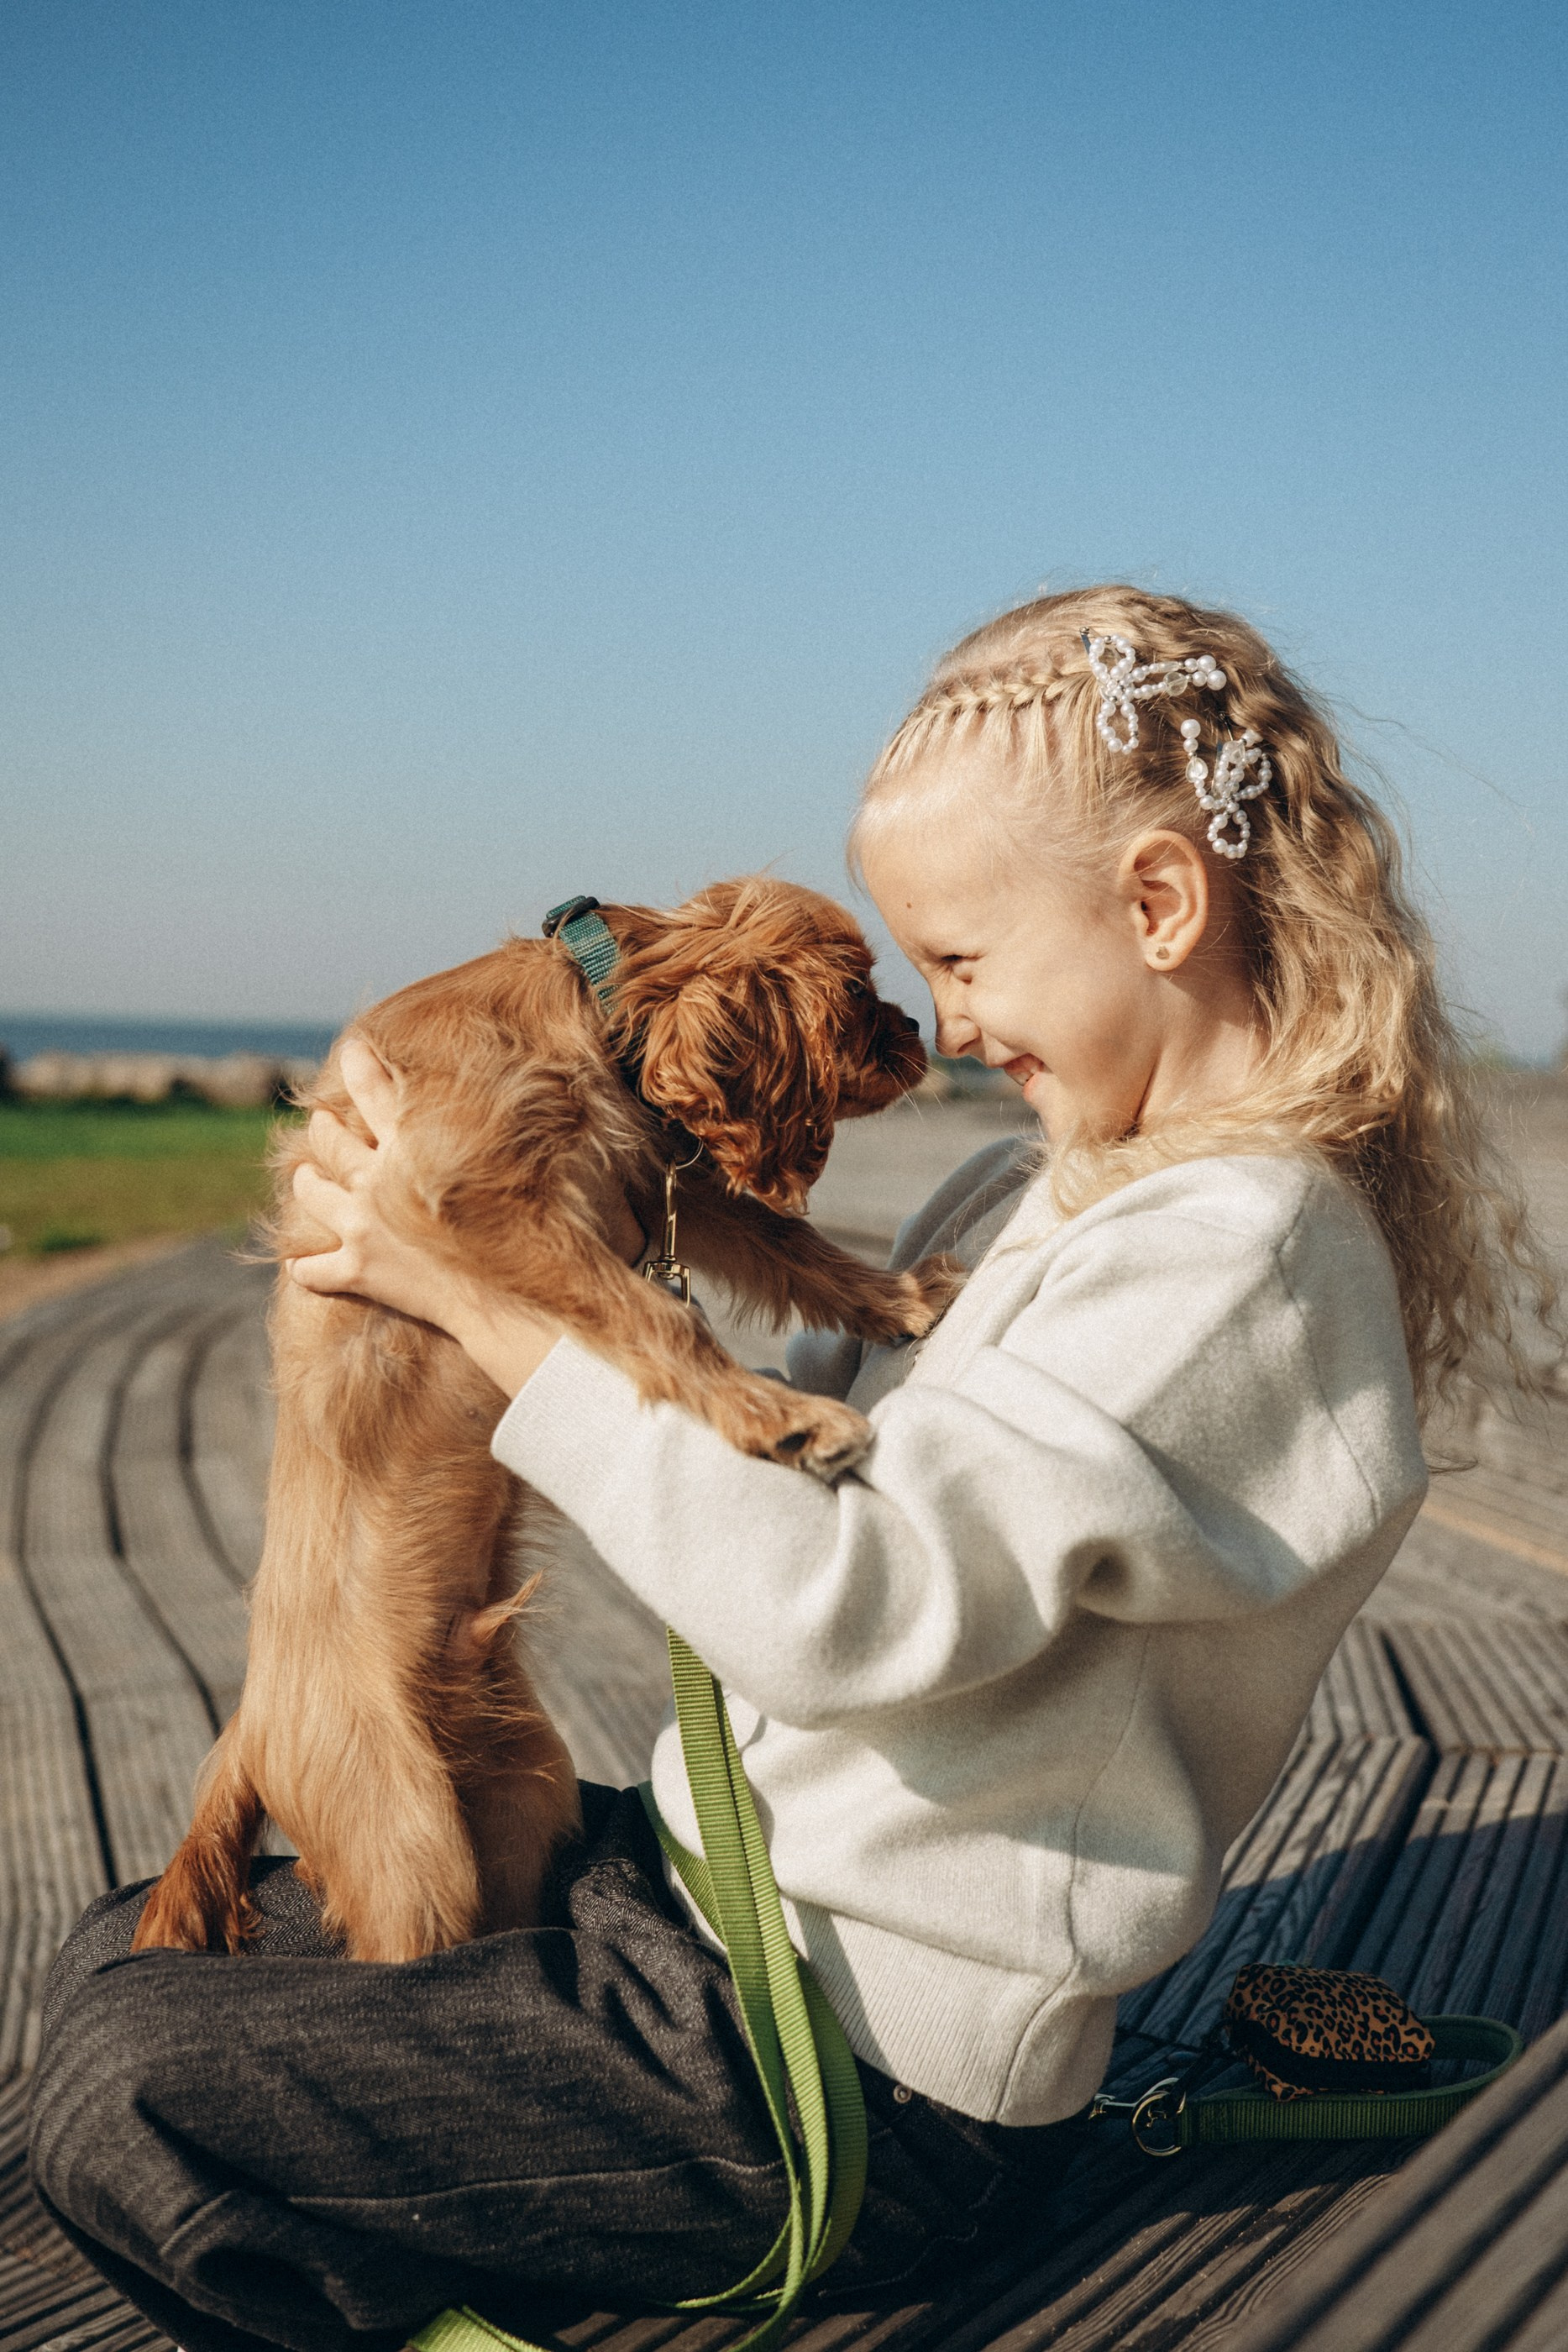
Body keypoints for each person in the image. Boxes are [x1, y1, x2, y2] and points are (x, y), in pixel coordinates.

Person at [29, 586, 1550, 2352]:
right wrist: (530, 1193)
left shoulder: (1244, 1259)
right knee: (124, 1951)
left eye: (966, 961)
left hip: (848, 2083)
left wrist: (472, 1293)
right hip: (722, 1901)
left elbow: (846, 1608)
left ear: (1156, 901)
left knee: (124, 2082)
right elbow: (807, 1439)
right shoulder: (1056, 1185)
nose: (948, 1024)